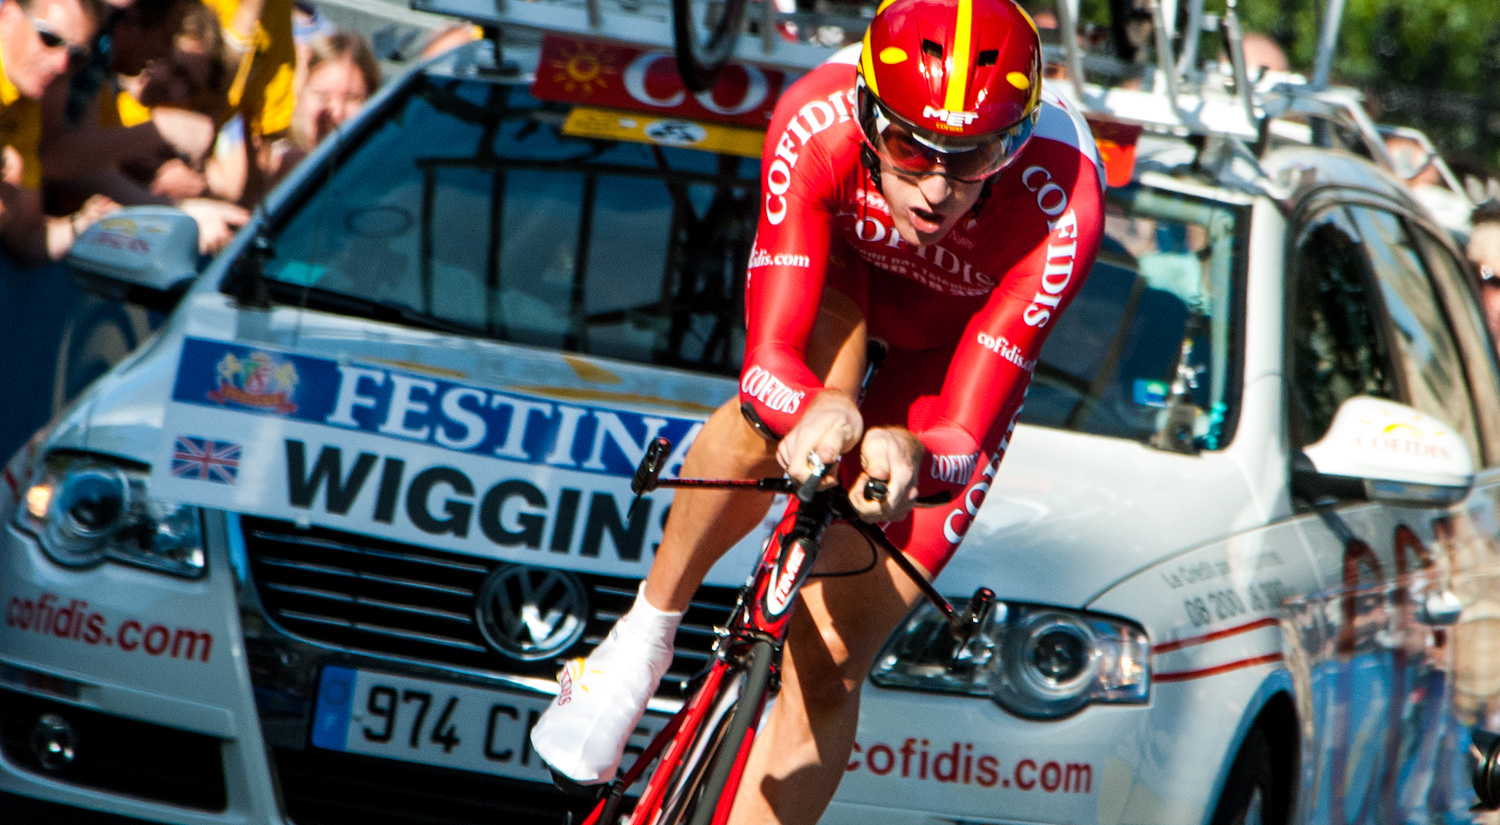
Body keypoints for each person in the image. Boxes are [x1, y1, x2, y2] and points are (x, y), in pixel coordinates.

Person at [528, 0, 1106, 822]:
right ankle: (640, 642)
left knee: (830, 658)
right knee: (786, 415)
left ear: (1011, 143)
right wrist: (815, 410)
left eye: (973, 157)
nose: (937, 189)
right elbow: (769, 362)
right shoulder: (815, 120)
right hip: (847, 279)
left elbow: (963, 438)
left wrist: (912, 456)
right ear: (870, 115)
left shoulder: (1064, 198)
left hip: (951, 351)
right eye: (909, 147)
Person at [0, 0, 114, 264]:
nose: (62, 65)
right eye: (50, 38)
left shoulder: (26, 107)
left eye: (76, 56)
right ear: (6, 17)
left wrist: (83, 224)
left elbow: (25, 239)